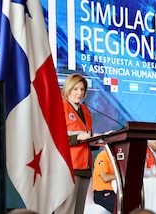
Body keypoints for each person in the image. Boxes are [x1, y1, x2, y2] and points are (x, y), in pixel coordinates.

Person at [55, 74, 93, 214]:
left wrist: (96, 140)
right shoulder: (60, 108)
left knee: (79, 210)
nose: (79, 93)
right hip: (68, 166)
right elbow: (54, 139)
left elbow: (86, 137)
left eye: (82, 89)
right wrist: (77, 138)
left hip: (85, 166)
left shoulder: (85, 111)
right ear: (68, 89)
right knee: (65, 210)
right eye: (75, 89)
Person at [92, 147, 116, 213]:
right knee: (120, 206)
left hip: (116, 191)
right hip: (103, 193)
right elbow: (105, 178)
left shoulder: (118, 156)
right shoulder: (102, 156)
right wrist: (122, 175)